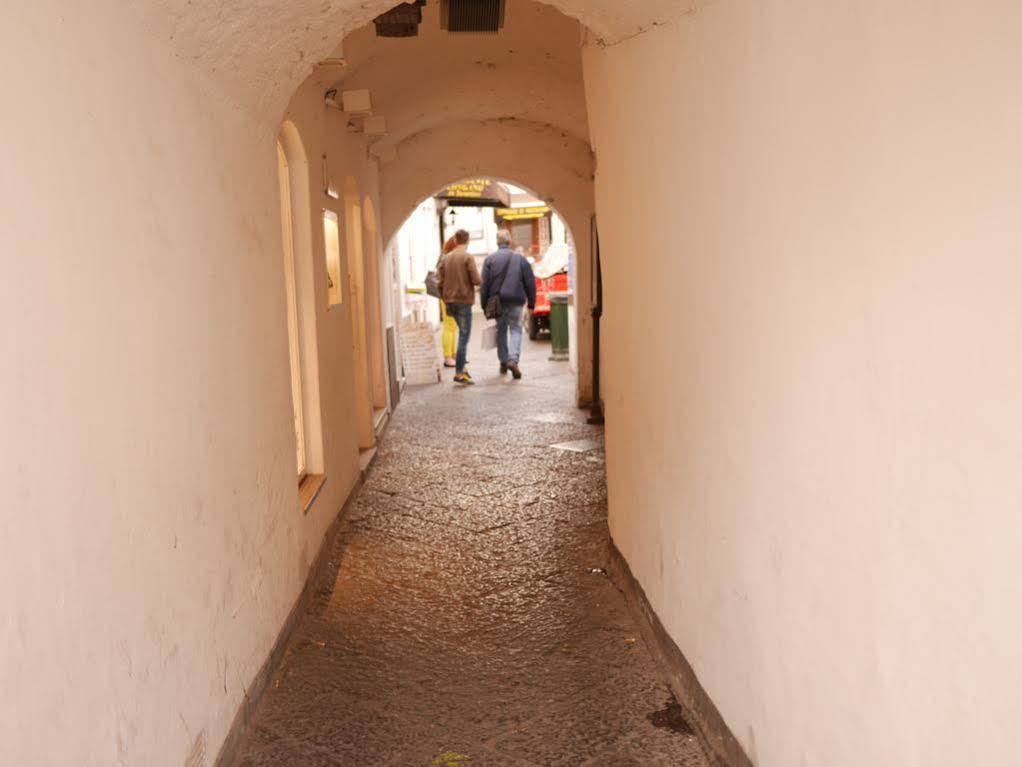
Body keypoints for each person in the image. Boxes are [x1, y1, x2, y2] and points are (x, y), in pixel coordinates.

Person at [480, 229, 536, 379]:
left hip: (498, 302)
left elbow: (484, 285)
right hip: (516, 300)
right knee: (516, 330)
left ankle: (504, 362)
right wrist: (532, 303)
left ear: (497, 242)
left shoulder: (489, 260)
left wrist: (484, 304)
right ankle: (513, 360)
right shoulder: (520, 259)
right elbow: (530, 282)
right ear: (509, 241)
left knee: (501, 330)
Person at [437, 229, 481, 385]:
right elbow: (476, 279)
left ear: (455, 240)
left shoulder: (446, 258)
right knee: (464, 336)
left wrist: (445, 298)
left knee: (457, 331)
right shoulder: (467, 257)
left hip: (449, 302)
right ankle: (459, 372)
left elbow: (439, 283)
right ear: (468, 241)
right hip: (463, 301)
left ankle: (461, 369)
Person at [438, 236, 459, 368]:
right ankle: (447, 357)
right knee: (449, 325)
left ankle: (453, 354)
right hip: (447, 295)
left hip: (450, 294)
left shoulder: (445, 257)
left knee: (453, 326)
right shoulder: (447, 258)